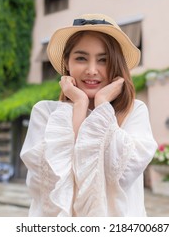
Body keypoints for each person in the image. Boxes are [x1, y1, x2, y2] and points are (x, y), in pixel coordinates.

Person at [20, 13, 157, 217]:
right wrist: (80, 104)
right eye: (81, 58)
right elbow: (52, 180)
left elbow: (120, 175)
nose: (92, 70)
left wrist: (102, 105)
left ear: (117, 64)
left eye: (104, 60)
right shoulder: (45, 113)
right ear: (67, 62)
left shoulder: (134, 111)